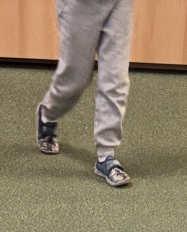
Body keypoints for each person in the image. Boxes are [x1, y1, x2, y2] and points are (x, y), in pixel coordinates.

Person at [36, 0, 135, 187]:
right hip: (79, 5)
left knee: (116, 79)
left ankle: (106, 156)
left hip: (119, 3)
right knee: (75, 79)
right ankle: (48, 113)